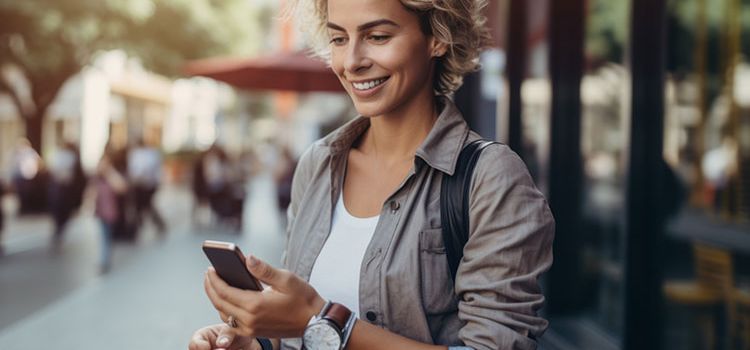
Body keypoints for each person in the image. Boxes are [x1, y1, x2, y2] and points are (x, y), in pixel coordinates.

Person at [190, 0, 554, 349]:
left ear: (437, 37)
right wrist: (257, 342)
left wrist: (324, 323)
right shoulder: (317, 165)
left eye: (377, 36)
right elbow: (295, 329)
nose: (351, 62)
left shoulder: (490, 179)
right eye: (338, 38)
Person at [94, 147, 128, 273]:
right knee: (104, 236)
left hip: (112, 211)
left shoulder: (114, 174)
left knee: (106, 236)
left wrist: (108, 172)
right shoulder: (98, 177)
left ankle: (105, 260)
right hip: (100, 211)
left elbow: (122, 188)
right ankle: (104, 260)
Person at [47, 141, 87, 249]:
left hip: (65, 189)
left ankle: (59, 229)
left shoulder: (69, 157)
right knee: (60, 210)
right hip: (62, 189)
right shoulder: (65, 156)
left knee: (61, 210)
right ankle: (59, 229)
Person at [127, 138, 166, 235]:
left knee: (146, 206)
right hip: (144, 185)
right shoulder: (148, 154)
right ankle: (139, 226)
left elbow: (141, 170)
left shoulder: (144, 154)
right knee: (144, 206)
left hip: (146, 185)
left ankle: (141, 226)